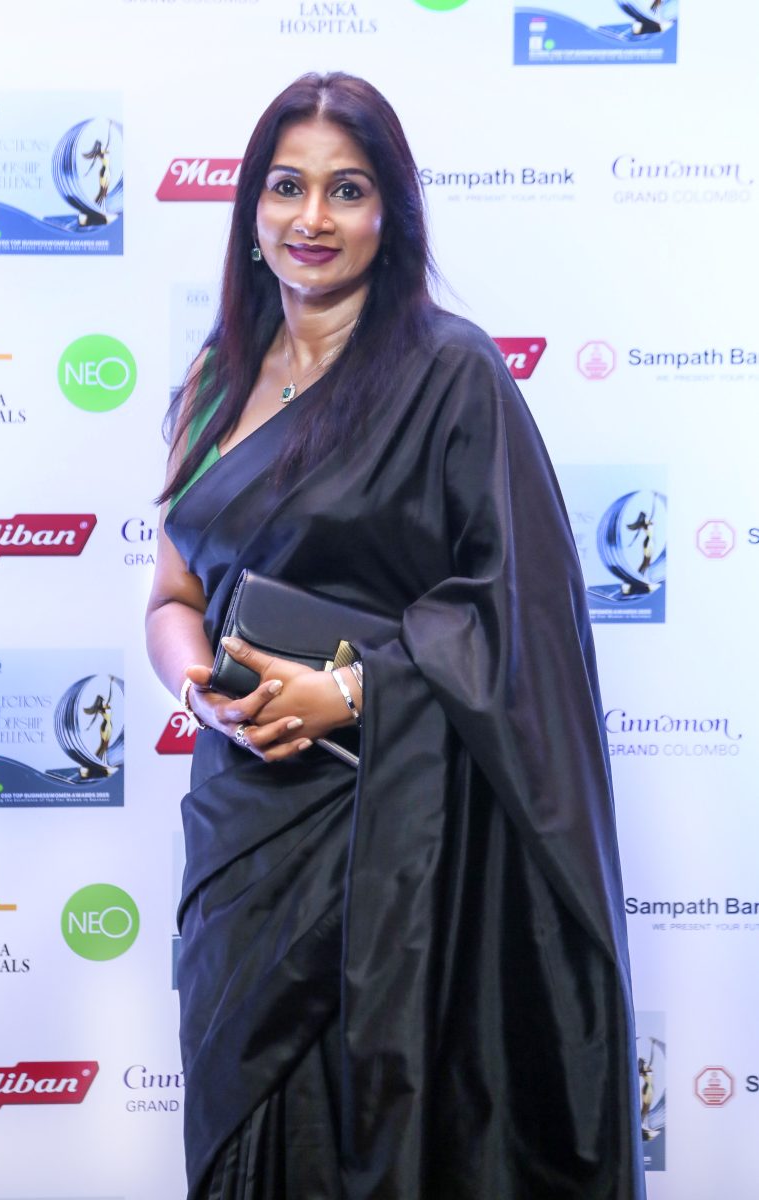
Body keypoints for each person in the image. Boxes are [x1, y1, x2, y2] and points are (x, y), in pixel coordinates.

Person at [146, 72, 645, 1200]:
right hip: (244, 827)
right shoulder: (215, 380)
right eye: (287, 186)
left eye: (348, 189)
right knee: (242, 1124)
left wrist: (351, 690)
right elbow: (170, 595)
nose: (312, 218)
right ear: (252, 208)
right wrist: (201, 693)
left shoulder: (451, 375)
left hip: (400, 835)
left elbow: (520, 609)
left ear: (391, 212)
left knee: (383, 1127)